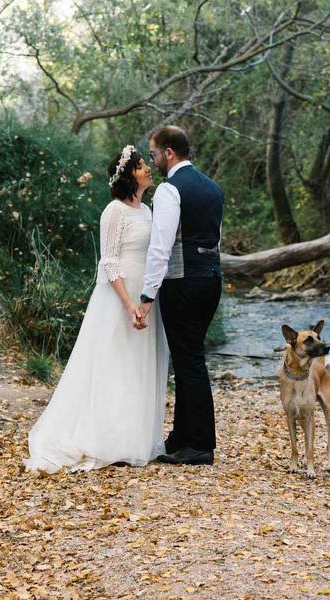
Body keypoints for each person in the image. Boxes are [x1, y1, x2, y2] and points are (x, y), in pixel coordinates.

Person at [24, 146, 168, 473]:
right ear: (128, 175)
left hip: (146, 296)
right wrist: (129, 303)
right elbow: (109, 260)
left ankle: (133, 436)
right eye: (142, 165)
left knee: (137, 364)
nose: (148, 169)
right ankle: (104, 436)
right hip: (119, 296)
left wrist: (147, 298)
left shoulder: (147, 211)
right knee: (114, 361)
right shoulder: (113, 211)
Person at [133, 125, 224, 466]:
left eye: (154, 153)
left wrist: (147, 294)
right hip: (211, 280)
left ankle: (199, 445)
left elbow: (161, 247)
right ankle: (182, 437)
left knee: (189, 361)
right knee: (191, 357)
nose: (153, 159)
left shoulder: (171, 190)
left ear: (169, 153)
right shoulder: (213, 189)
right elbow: (215, 239)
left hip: (182, 282)